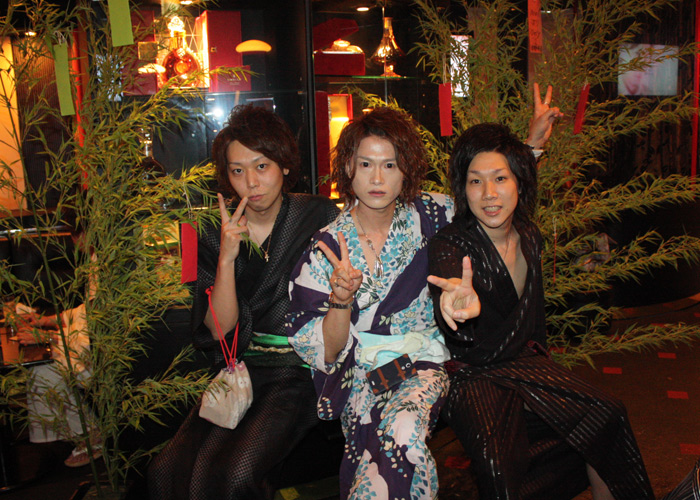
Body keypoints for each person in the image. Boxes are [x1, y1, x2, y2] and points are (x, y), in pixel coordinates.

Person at [427, 122, 656, 499]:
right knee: (499, 464)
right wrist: (455, 305)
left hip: (525, 364)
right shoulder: (450, 244)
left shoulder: (529, 235)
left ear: (519, 182)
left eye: (500, 178)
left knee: (607, 415)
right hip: (473, 374)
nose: (489, 193)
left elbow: (533, 323)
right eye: (475, 181)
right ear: (462, 189)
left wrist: (532, 146)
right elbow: (450, 289)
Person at [148, 104, 340, 500]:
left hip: (298, 371)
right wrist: (226, 259)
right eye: (237, 171)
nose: (251, 182)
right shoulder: (211, 232)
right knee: (165, 472)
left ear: (284, 165)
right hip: (239, 371)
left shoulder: (317, 214)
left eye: (261, 166)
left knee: (233, 475)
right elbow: (220, 330)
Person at [286, 106, 454, 499]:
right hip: (362, 376)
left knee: (403, 429)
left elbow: (489, 200)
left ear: (406, 169)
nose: (377, 178)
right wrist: (340, 301)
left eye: (390, 165)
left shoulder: (433, 213)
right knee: (380, 452)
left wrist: (529, 152)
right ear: (348, 167)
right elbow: (326, 351)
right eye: (366, 164)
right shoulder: (326, 247)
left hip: (422, 362)